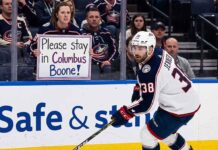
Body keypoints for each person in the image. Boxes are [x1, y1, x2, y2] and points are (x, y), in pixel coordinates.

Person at [111, 31, 200, 150]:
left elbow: (147, 105)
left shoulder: (151, 72)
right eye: (134, 47)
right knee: (165, 134)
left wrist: (125, 113)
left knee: (147, 136)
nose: (136, 52)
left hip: (179, 108)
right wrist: (139, 88)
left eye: (141, 48)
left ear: (150, 48)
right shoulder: (158, 52)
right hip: (185, 99)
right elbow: (145, 73)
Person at [81, 6, 117, 80]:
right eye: (91, 17)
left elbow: (114, 50)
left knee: (109, 69)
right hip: (90, 64)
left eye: (97, 17)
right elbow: (82, 55)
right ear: (87, 19)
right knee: (94, 70)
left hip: (107, 63)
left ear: (100, 19)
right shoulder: (82, 34)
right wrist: (99, 63)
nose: (94, 19)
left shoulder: (106, 32)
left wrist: (109, 61)